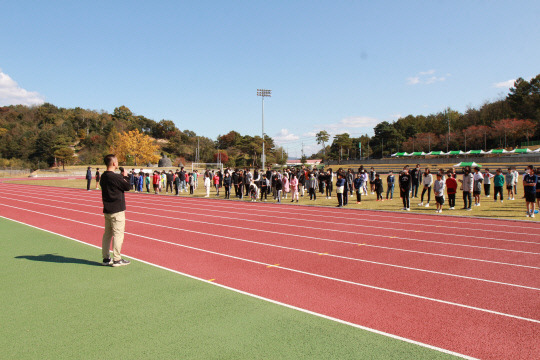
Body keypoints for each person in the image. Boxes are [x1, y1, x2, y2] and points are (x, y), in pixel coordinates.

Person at [99, 154, 131, 267]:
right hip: (117, 209)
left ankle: (106, 258)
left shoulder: (103, 176)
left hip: (107, 209)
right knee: (118, 234)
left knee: (107, 234)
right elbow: (128, 186)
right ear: (113, 163)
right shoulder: (115, 177)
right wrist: (126, 176)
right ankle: (117, 259)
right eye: (116, 161)